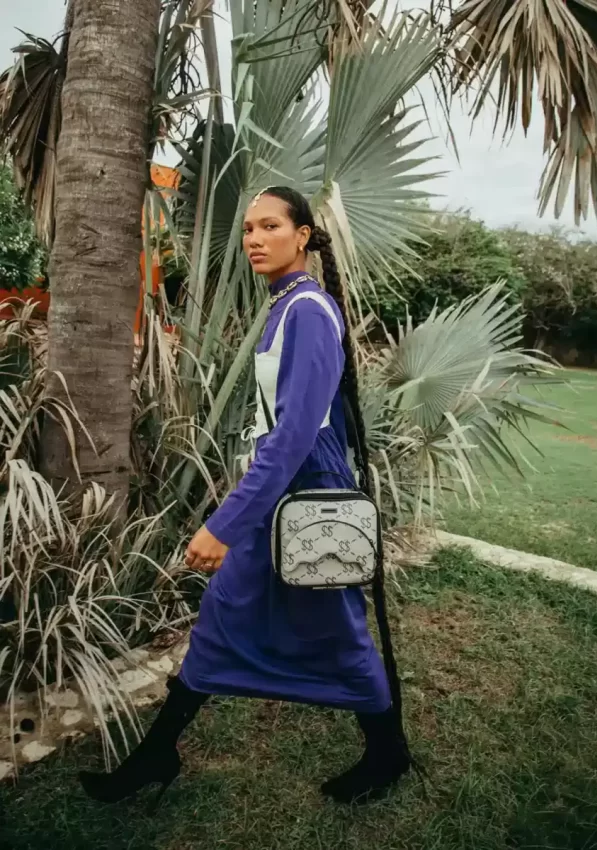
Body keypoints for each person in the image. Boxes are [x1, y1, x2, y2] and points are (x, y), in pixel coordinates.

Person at [79, 186, 412, 807]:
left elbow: (295, 435)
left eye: (270, 226)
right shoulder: (287, 305)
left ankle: (387, 752)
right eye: (248, 230)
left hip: (308, 497)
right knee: (224, 612)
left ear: (302, 236)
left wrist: (224, 524)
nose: (254, 239)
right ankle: (157, 753)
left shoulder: (307, 310)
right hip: (281, 493)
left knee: (337, 629)